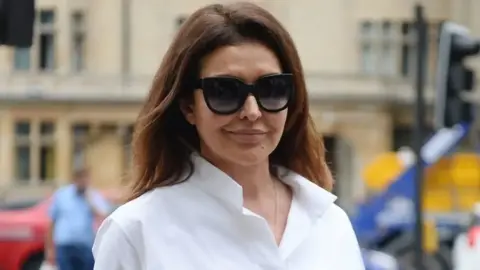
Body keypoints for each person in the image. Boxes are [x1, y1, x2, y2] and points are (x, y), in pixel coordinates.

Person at [93, 2, 364, 269]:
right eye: (224, 91)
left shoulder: (330, 223)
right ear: (188, 106)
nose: (252, 111)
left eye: (271, 89)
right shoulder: (136, 233)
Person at [46, 169, 111, 270]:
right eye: (80, 178)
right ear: (74, 179)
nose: (83, 181)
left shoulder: (93, 195)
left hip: (85, 245)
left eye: (85, 178)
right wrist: (50, 250)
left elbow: (103, 214)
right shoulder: (62, 195)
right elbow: (52, 222)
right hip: (65, 245)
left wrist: (89, 200)